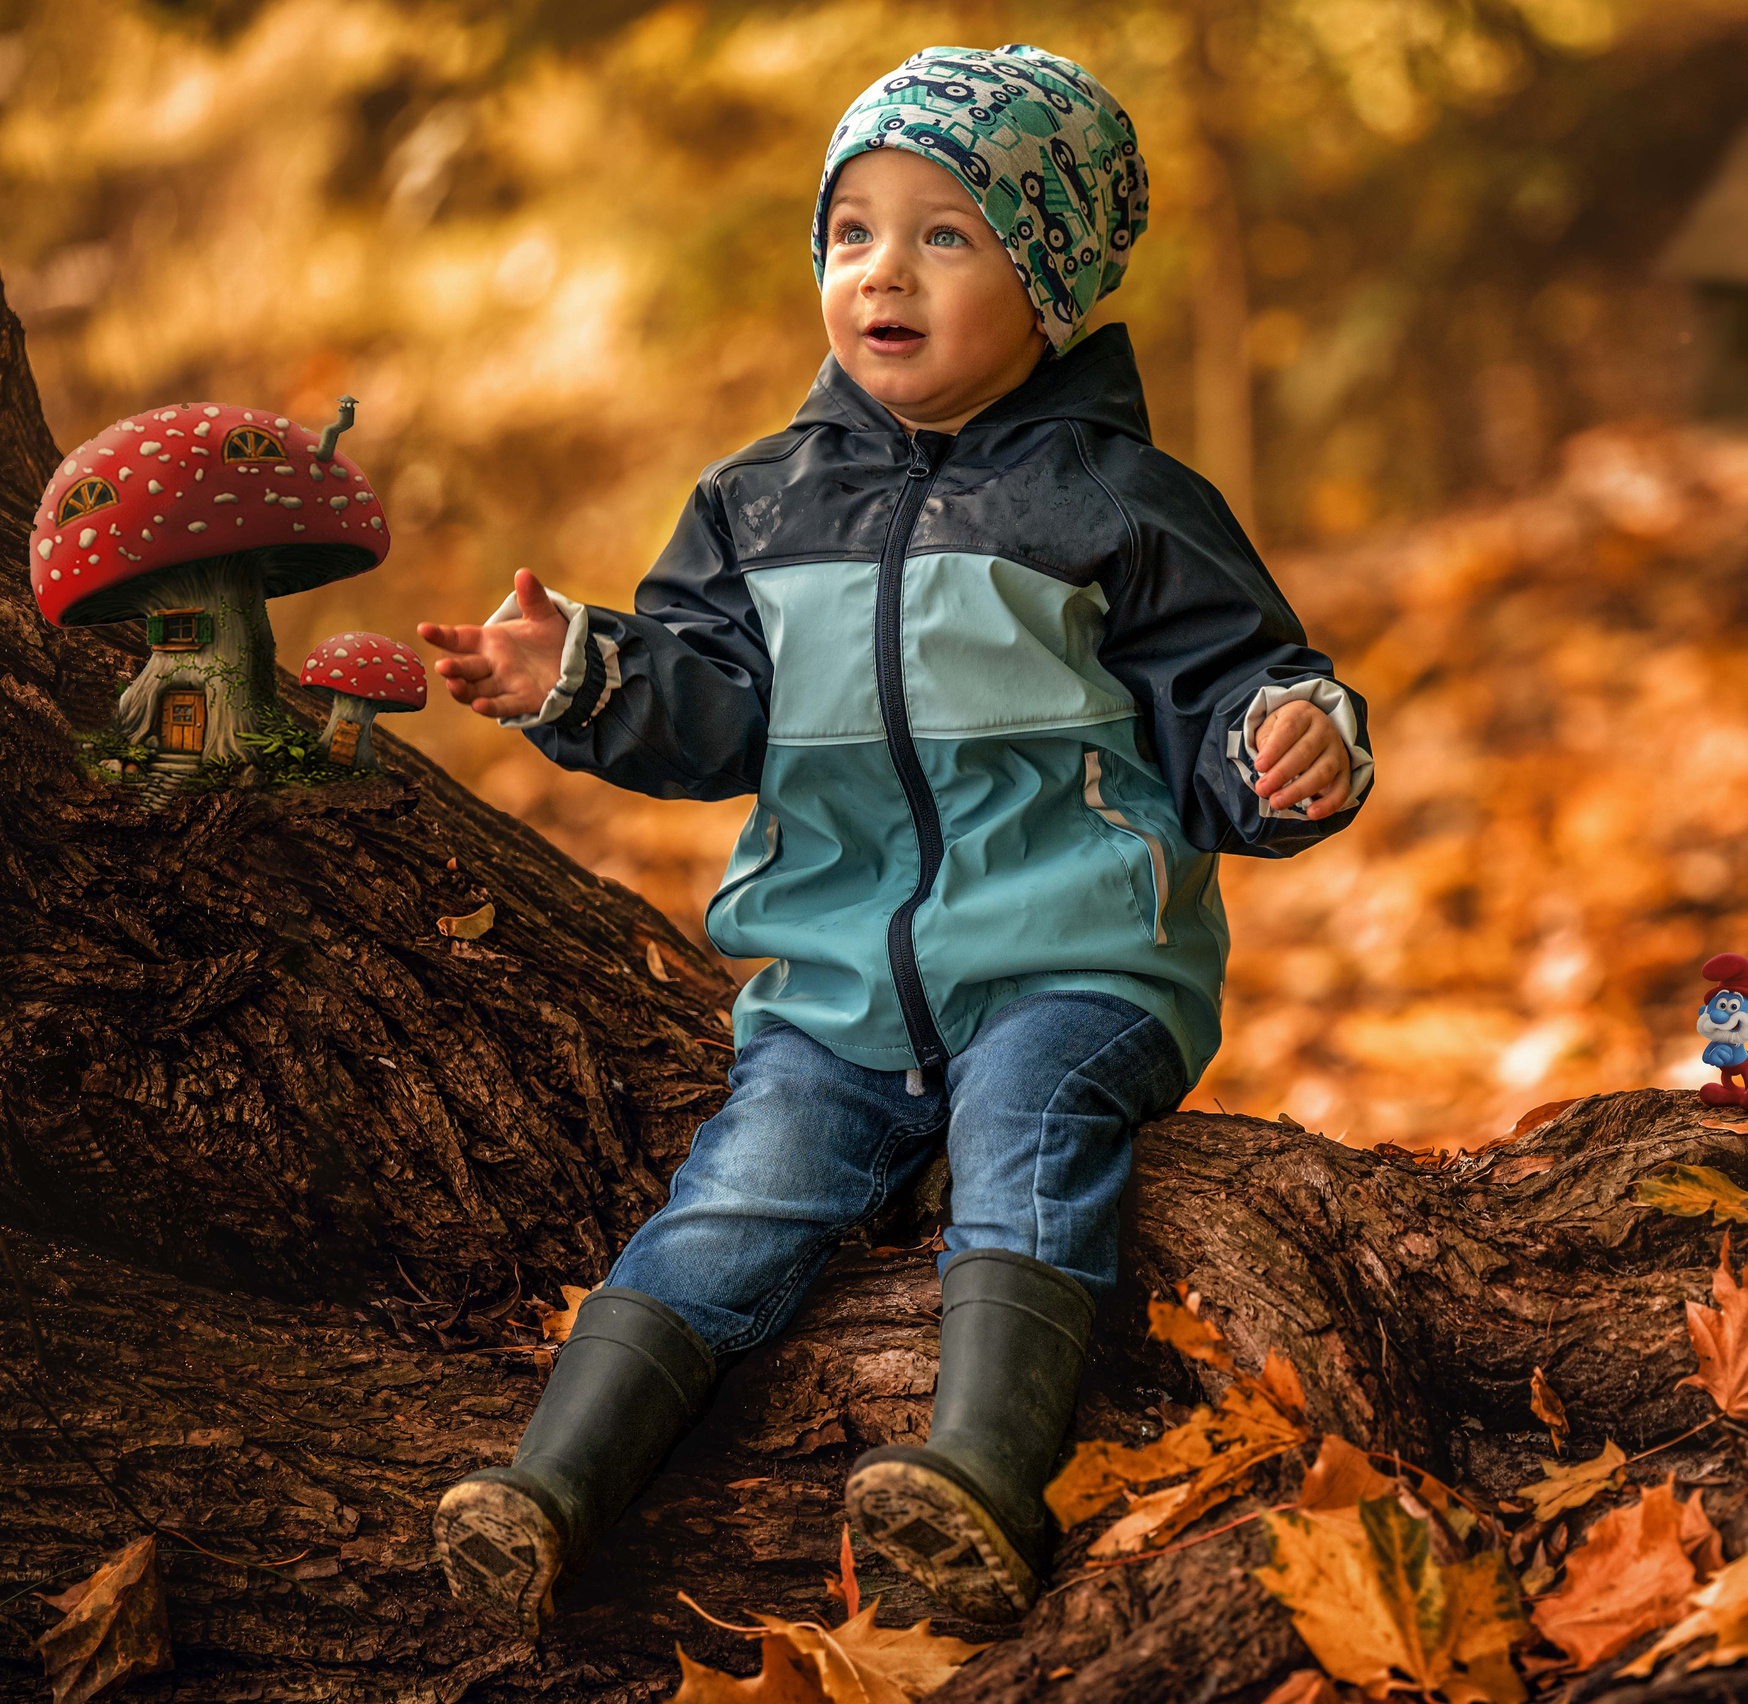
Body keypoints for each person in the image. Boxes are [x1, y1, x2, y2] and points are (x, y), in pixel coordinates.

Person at [418, 43, 1371, 1635]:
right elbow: (708, 708)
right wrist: (576, 671)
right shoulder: (756, 506)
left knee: (1025, 1140)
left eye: (948, 234)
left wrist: (1294, 746)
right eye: (852, 230)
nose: (884, 272)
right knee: (739, 1192)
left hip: (1077, 961)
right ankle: (548, 1492)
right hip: (838, 986)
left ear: (1049, 277)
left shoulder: (1120, 501)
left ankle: (981, 1475)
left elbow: (1240, 689)